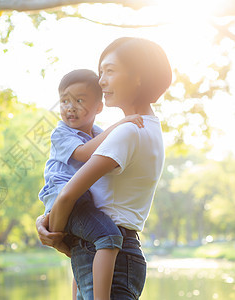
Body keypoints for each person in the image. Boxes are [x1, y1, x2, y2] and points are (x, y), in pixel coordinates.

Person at [37, 37, 172, 299]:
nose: (101, 81)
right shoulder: (145, 128)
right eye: (101, 72)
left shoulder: (129, 131)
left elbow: (67, 195)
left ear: (138, 77)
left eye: (109, 71)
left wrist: (53, 232)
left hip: (110, 249)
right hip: (102, 249)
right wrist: (48, 221)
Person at [39, 69, 144, 300]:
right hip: (63, 197)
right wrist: (122, 124)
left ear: (98, 107)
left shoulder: (96, 133)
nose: (70, 107)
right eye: (64, 100)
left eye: (79, 100)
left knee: (82, 248)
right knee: (109, 237)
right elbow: (84, 154)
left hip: (80, 200)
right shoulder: (61, 133)